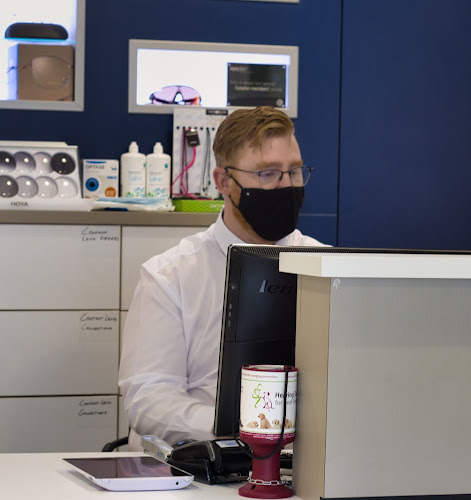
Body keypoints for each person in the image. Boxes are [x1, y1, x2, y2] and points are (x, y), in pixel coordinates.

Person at [118, 106, 327, 450]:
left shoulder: (327, 268)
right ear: (223, 182)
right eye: (268, 173)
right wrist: (244, 429)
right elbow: (149, 398)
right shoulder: (170, 276)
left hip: (304, 463)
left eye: (294, 171)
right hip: (201, 460)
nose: (286, 185)